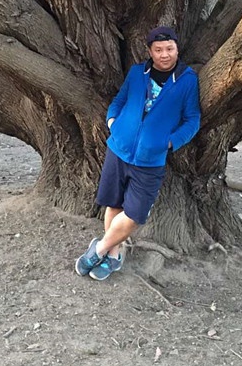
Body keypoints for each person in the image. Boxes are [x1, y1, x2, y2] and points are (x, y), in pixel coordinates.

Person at [75, 26, 201, 281]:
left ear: (177, 49)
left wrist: (170, 143)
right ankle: (113, 255)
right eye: (158, 50)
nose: (164, 54)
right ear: (150, 51)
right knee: (114, 204)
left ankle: (97, 249)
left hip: (151, 159)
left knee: (134, 214)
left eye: (169, 49)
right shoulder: (136, 73)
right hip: (118, 149)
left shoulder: (187, 80)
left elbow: (192, 119)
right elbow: (119, 101)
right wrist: (113, 122)